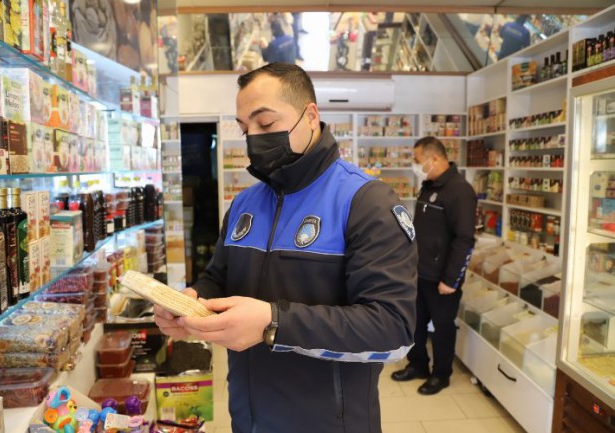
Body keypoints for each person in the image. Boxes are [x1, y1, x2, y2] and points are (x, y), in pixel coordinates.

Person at [154, 63, 418, 433]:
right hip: (248, 417)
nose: (253, 138)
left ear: (310, 116)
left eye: (265, 123)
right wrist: (191, 302)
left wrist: (274, 323)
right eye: (244, 128)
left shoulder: (366, 202)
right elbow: (219, 277)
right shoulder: (244, 204)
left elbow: (393, 330)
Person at [391, 136, 476, 395]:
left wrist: (451, 280)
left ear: (435, 158)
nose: (415, 165)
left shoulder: (460, 191)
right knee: (415, 323)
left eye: (418, 160)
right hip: (420, 272)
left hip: (442, 278)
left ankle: (441, 374)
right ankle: (418, 365)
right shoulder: (428, 186)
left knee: (442, 328)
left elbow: (464, 239)